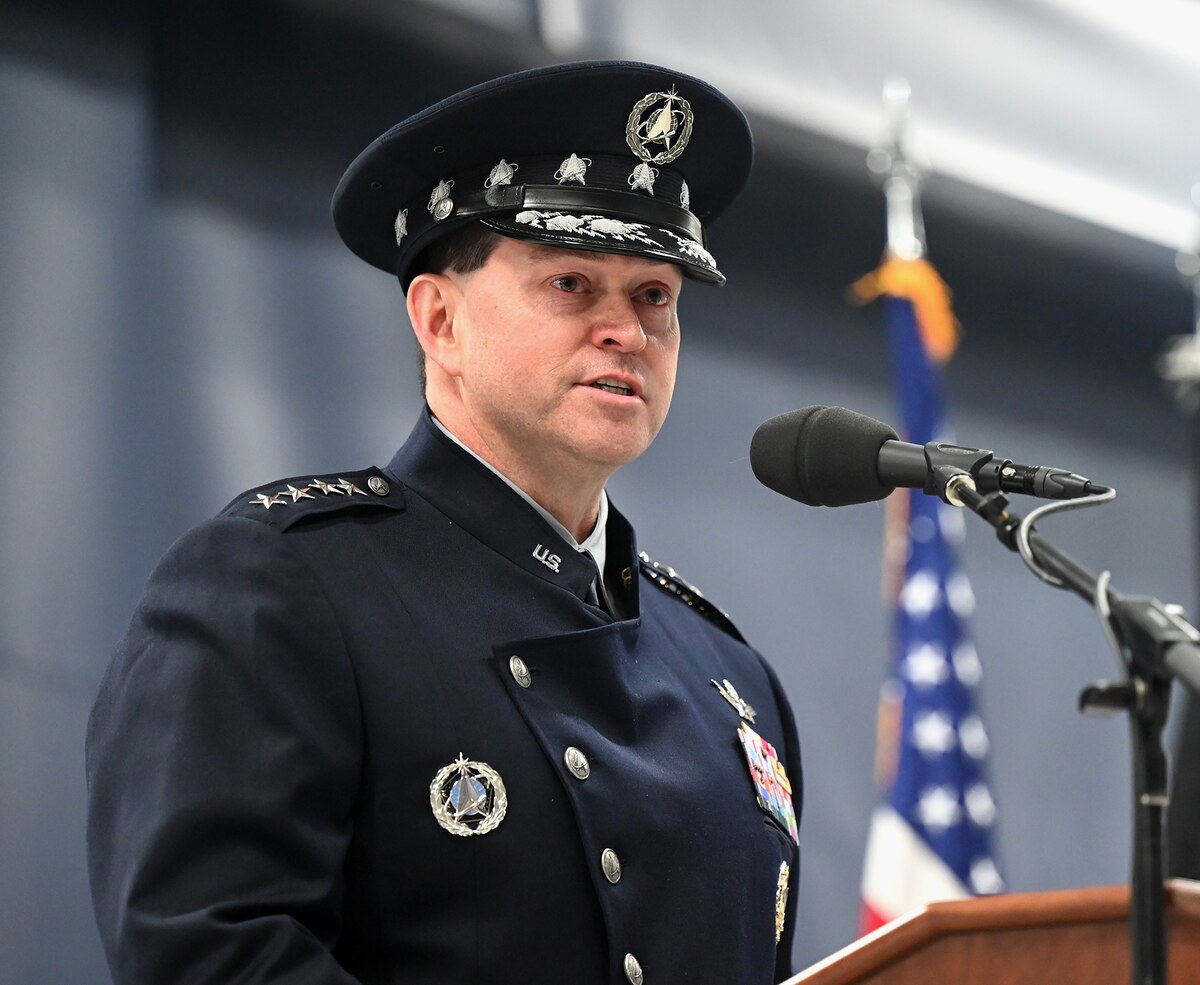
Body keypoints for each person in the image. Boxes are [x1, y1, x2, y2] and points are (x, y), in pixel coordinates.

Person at [86, 60, 802, 985]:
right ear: (440, 320)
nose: (626, 328)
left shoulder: (730, 678)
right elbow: (207, 955)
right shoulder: (281, 585)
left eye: (655, 295)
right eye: (572, 284)